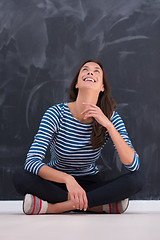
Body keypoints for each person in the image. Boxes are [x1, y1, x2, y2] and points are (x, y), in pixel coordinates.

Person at [13, 60, 144, 215]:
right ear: (76, 84)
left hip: (90, 182)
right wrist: (68, 179)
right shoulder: (56, 113)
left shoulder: (110, 118)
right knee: (20, 177)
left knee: (137, 179)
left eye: (96, 71)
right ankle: (97, 206)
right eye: (85, 69)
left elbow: (132, 164)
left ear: (102, 87)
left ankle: (55, 207)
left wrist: (108, 125)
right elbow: (32, 161)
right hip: (57, 181)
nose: (90, 72)